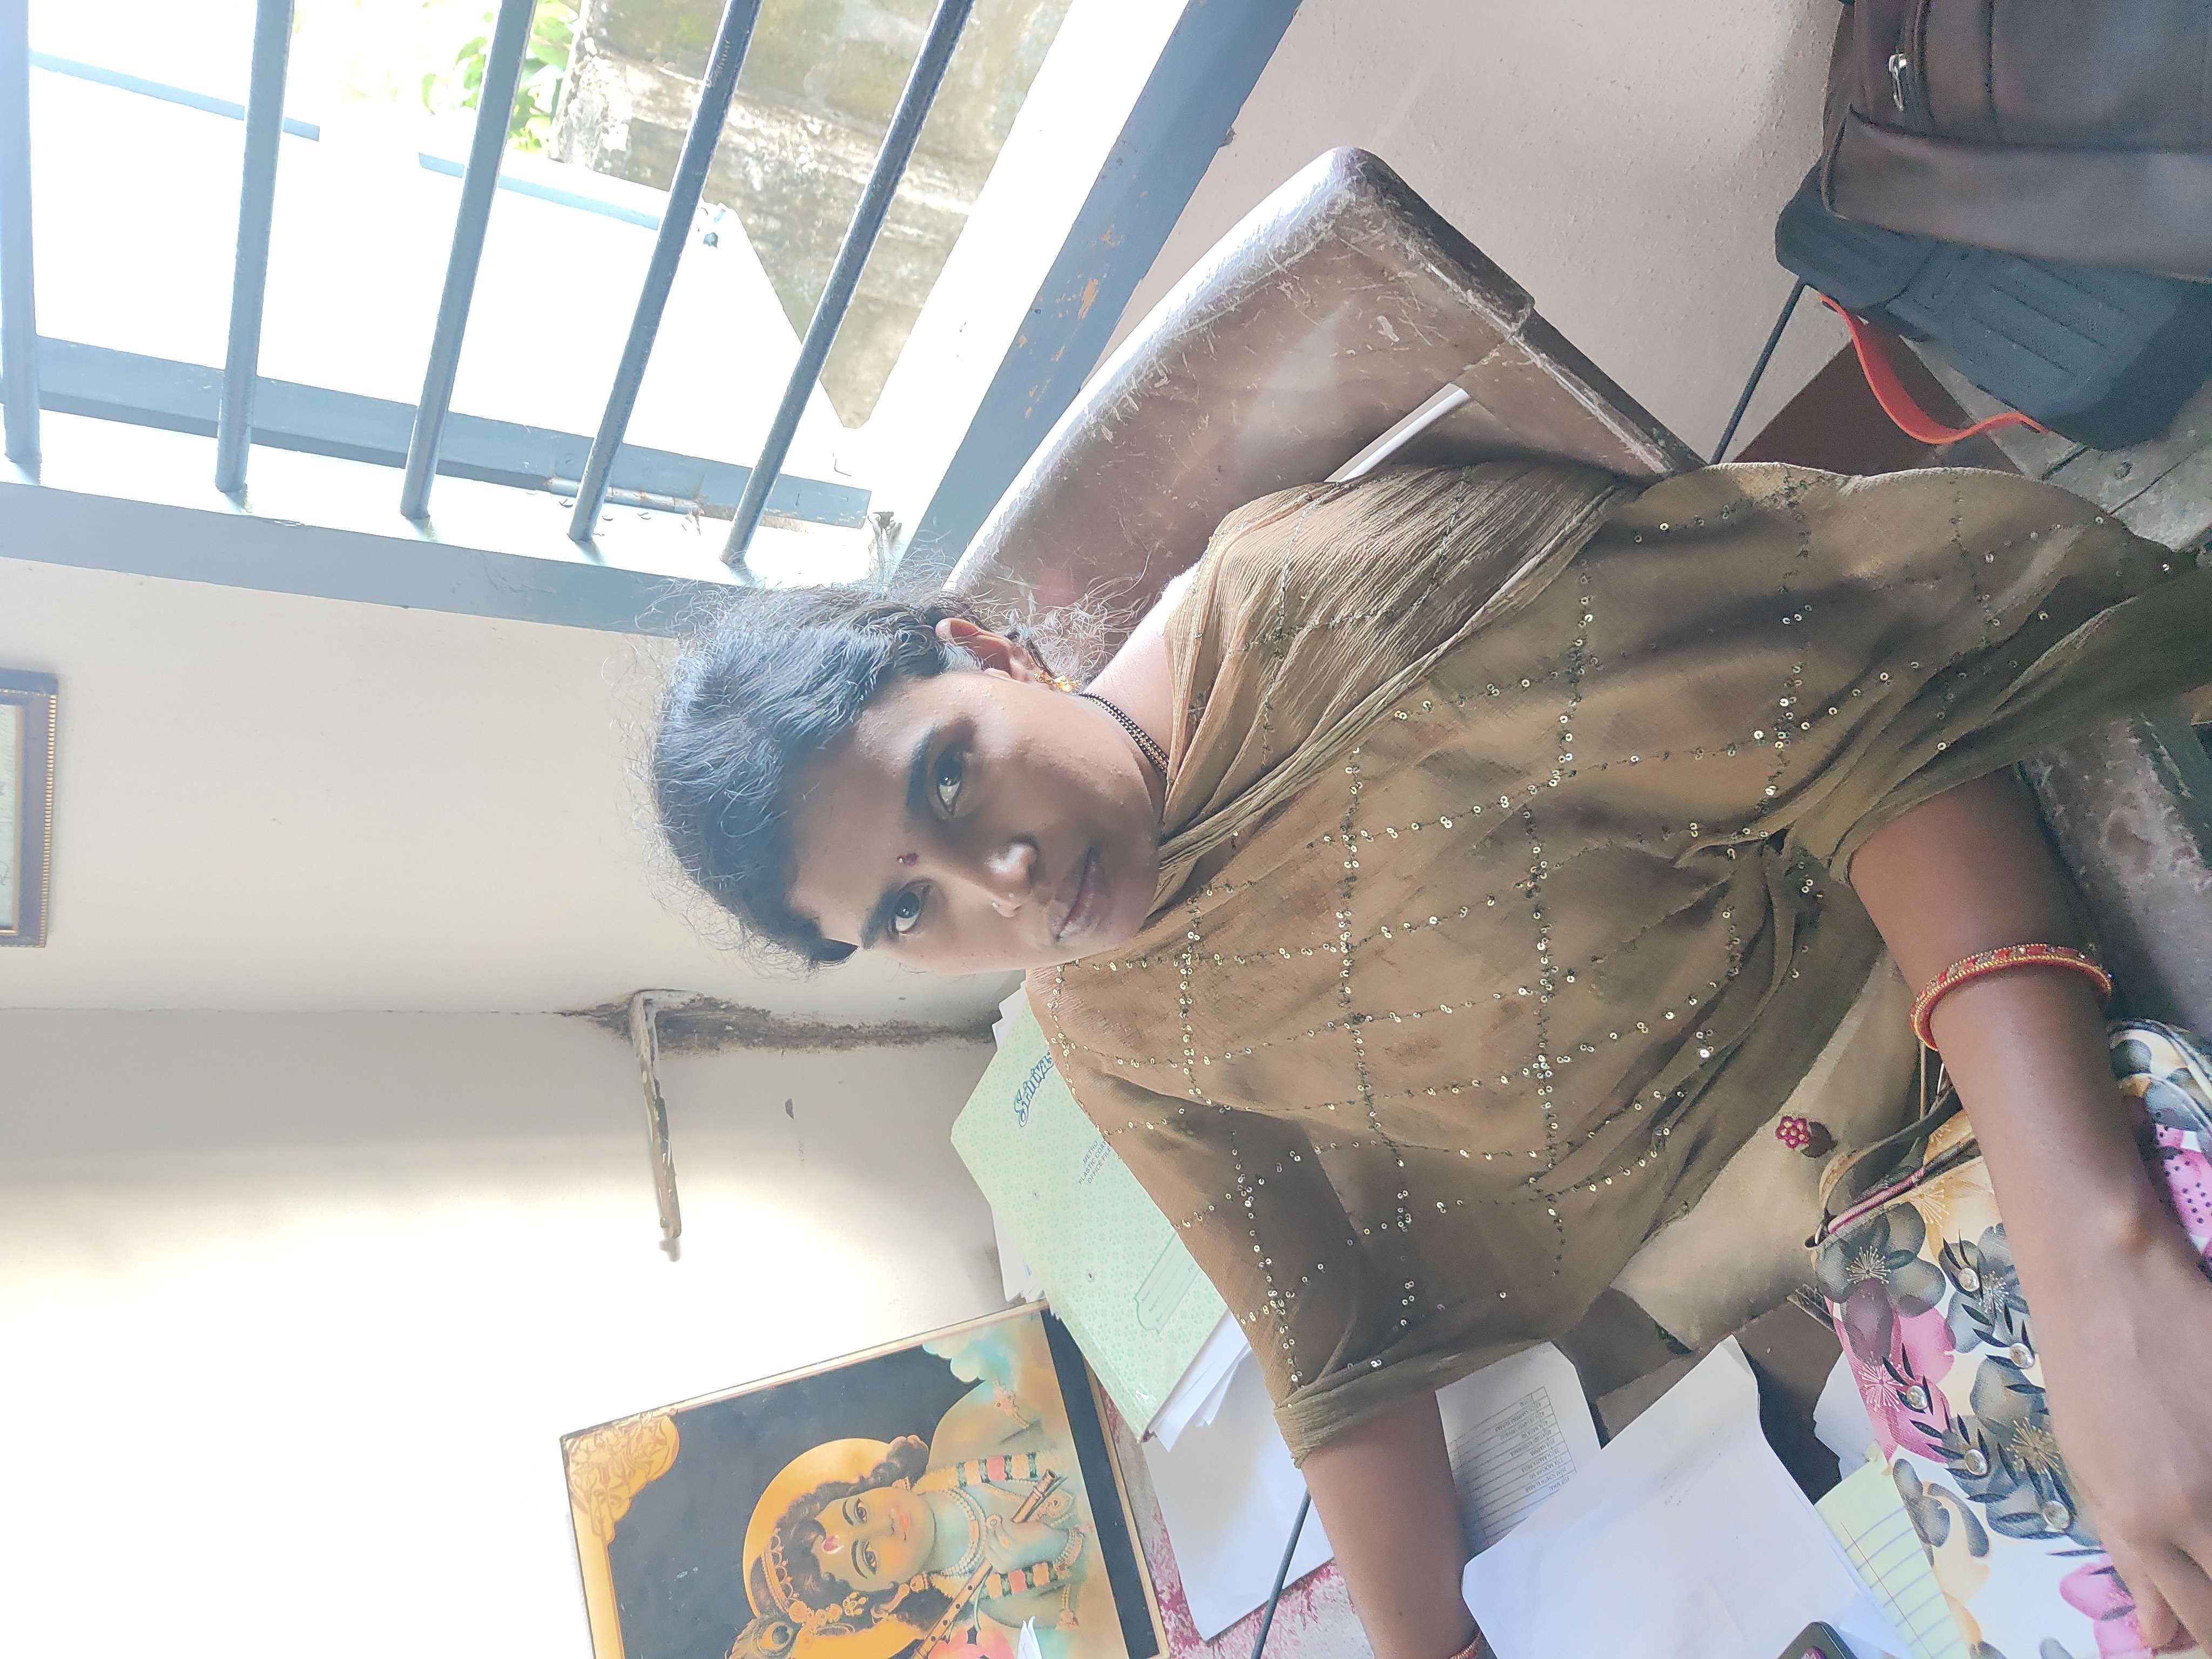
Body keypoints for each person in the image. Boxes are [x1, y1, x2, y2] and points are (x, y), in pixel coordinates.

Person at [656, 460, 2212, 1659]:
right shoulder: (1097, 1010)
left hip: (1917, 1016)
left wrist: (2101, 1253)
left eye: (949, 776)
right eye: (907, 909)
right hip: (1774, 1269)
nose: (999, 884)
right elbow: (1322, 1331)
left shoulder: (1329, 612)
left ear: (989, 649)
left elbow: (1870, 728)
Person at [730, 1321, 1097, 1659]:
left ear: (862, 1490)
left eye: (860, 1512)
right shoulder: (1000, 1602)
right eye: (869, 1557)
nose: (884, 1525)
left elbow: (1060, 1374)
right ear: (887, 1599)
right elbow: (1106, 1596)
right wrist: (1056, 1546)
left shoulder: (958, 1438)